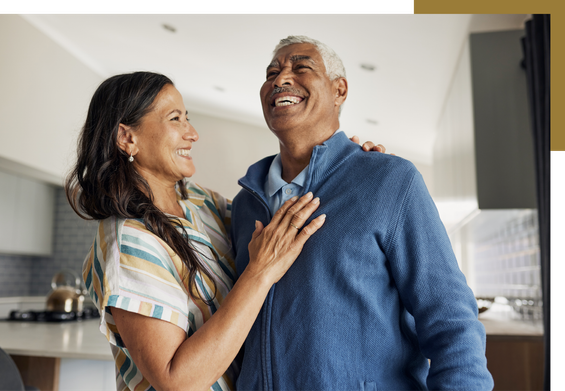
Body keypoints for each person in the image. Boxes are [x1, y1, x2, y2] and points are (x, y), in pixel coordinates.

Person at [65, 71, 382, 391]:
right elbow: (177, 381)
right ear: (127, 138)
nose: (192, 133)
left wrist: (350, 167)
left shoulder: (200, 203)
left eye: (187, 117)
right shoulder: (129, 241)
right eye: (175, 119)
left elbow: (280, 227)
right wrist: (259, 273)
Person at [230, 36, 494, 390]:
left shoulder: (391, 180)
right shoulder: (245, 204)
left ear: (339, 91)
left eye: (301, 67)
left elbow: (452, 321)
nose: (280, 79)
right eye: (272, 72)